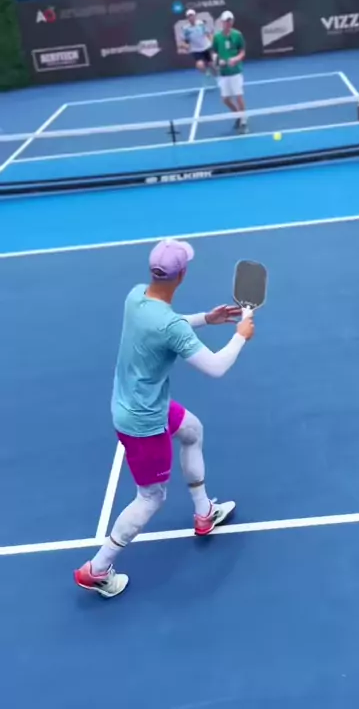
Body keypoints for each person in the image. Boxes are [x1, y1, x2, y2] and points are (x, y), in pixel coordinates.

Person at [74, 239, 254, 598]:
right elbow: (215, 367)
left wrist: (206, 318)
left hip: (141, 402)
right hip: (143, 422)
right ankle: (97, 569)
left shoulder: (136, 296)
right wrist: (240, 336)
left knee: (192, 431)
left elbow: (168, 326)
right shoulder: (169, 326)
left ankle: (204, 513)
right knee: (151, 498)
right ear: (182, 274)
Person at [213, 10, 247, 133]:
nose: (228, 23)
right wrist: (218, 61)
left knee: (239, 96)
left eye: (230, 21)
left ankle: (243, 121)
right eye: (226, 21)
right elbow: (214, 52)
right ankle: (238, 115)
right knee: (225, 99)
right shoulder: (217, 37)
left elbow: (242, 52)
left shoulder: (238, 35)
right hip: (223, 73)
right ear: (222, 22)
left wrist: (236, 59)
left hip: (236, 71)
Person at [180, 9, 216, 78]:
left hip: (206, 47)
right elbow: (183, 41)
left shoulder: (201, 24)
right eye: (189, 16)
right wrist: (185, 46)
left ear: (195, 16)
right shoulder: (186, 29)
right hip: (196, 50)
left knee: (212, 65)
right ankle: (207, 74)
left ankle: (216, 76)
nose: (191, 18)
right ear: (187, 18)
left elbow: (208, 34)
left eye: (192, 16)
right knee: (200, 65)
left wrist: (212, 43)